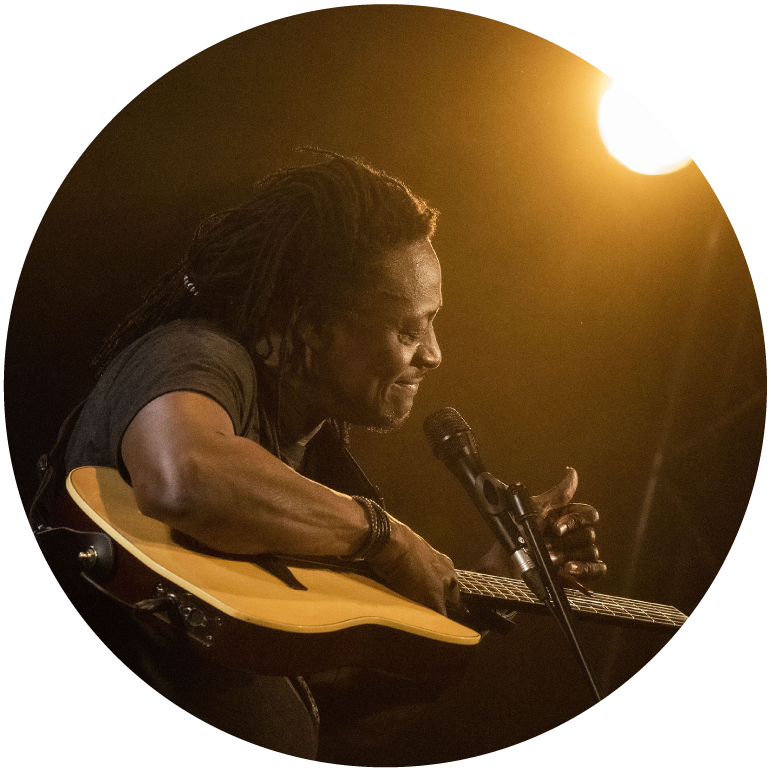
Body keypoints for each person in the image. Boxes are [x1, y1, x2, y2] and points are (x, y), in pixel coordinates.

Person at [30, 150, 605, 763]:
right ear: (310, 326)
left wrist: (492, 583)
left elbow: (338, 696)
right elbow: (184, 476)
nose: (433, 354)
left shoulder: (317, 472)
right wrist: (387, 539)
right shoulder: (196, 354)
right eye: (409, 329)